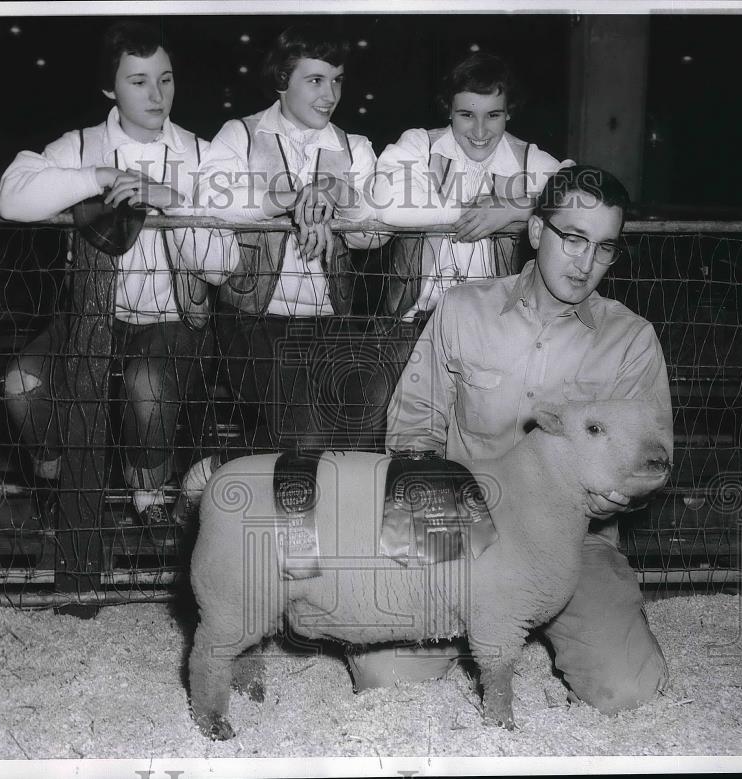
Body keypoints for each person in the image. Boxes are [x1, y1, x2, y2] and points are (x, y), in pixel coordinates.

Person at [349, 165, 673, 715]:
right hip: (458, 526)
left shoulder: (631, 340)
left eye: (603, 247)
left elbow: (653, 459)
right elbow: (411, 427)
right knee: (385, 679)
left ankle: (547, 625)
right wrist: (439, 520)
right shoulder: (462, 308)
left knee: (629, 692)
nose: (586, 262)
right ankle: (473, 625)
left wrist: (620, 493)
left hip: (575, 542)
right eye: (573, 238)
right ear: (537, 231)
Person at [0, 20, 229, 536]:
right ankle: (60, 484)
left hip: (172, 321)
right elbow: (11, 197)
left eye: (165, 79)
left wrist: (173, 204)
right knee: (22, 383)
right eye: (138, 81)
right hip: (89, 318)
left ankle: (148, 495)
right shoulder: (80, 146)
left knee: (146, 383)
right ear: (110, 87)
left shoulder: (203, 153)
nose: (156, 94)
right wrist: (99, 177)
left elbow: (222, 265)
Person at [197, 24, 383, 452]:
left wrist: (336, 193)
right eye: (315, 80)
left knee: (367, 408)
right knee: (307, 428)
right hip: (252, 319)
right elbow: (211, 198)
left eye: (337, 80)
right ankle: (223, 477)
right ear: (282, 81)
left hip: (330, 321)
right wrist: (292, 197)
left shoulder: (355, 146)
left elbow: (374, 234)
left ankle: (220, 472)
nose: (330, 95)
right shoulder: (239, 134)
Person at [368, 52, 572, 433]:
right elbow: (390, 204)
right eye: (467, 115)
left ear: (509, 112)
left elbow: (579, 194)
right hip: (412, 324)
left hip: (493, 330)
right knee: (391, 430)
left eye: (493, 115)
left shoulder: (528, 158)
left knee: (480, 437)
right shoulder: (420, 145)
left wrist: (513, 207)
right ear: (448, 110)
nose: (480, 130)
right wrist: (477, 211)